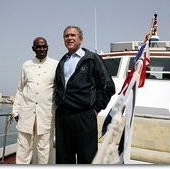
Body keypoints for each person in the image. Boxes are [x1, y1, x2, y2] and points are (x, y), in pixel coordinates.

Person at [54, 25, 116, 164]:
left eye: (73, 35)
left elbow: (108, 87)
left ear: (80, 39)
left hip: (85, 117)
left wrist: (95, 109)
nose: (69, 38)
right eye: (66, 36)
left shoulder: (92, 59)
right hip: (63, 117)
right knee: (63, 159)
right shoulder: (62, 62)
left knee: (87, 159)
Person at [11, 37, 58, 164]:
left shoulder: (56, 65)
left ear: (48, 48)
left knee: (44, 151)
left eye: (44, 47)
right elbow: (20, 89)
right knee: (23, 150)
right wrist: (15, 111)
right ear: (33, 48)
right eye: (38, 47)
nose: (42, 49)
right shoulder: (26, 65)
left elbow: (59, 91)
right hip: (26, 115)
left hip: (46, 115)